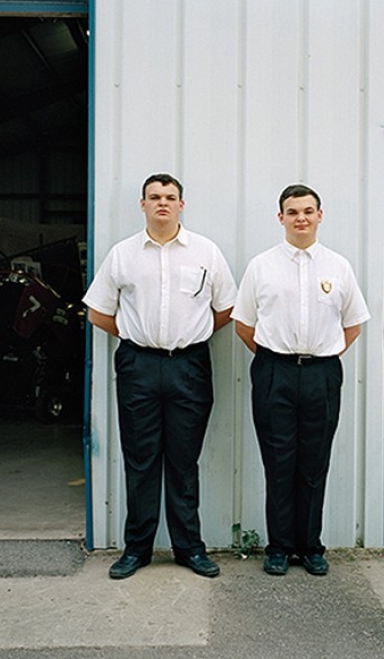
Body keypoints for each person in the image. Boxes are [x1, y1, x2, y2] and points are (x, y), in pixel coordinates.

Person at [83, 173, 237, 579]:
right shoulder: (123, 254)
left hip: (190, 365)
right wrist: (137, 336)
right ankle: (137, 549)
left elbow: (225, 308)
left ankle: (190, 549)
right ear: (143, 205)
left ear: (182, 204)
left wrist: (189, 337)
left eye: (170, 197)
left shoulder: (206, 252)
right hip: (139, 366)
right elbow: (98, 310)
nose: (163, 203)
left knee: (184, 462)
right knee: (142, 459)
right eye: (155, 197)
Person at [232, 184, 370, 576]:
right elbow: (244, 325)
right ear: (281, 218)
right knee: (278, 462)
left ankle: (311, 546)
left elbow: (353, 323)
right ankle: (278, 547)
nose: (301, 218)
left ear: (320, 215)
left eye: (308, 211)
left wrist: (320, 357)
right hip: (274, 372)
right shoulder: (262, 266)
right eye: (292, 212)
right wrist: (278, 358)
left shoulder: (338, 266)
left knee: (313, 463)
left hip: (321, 375)